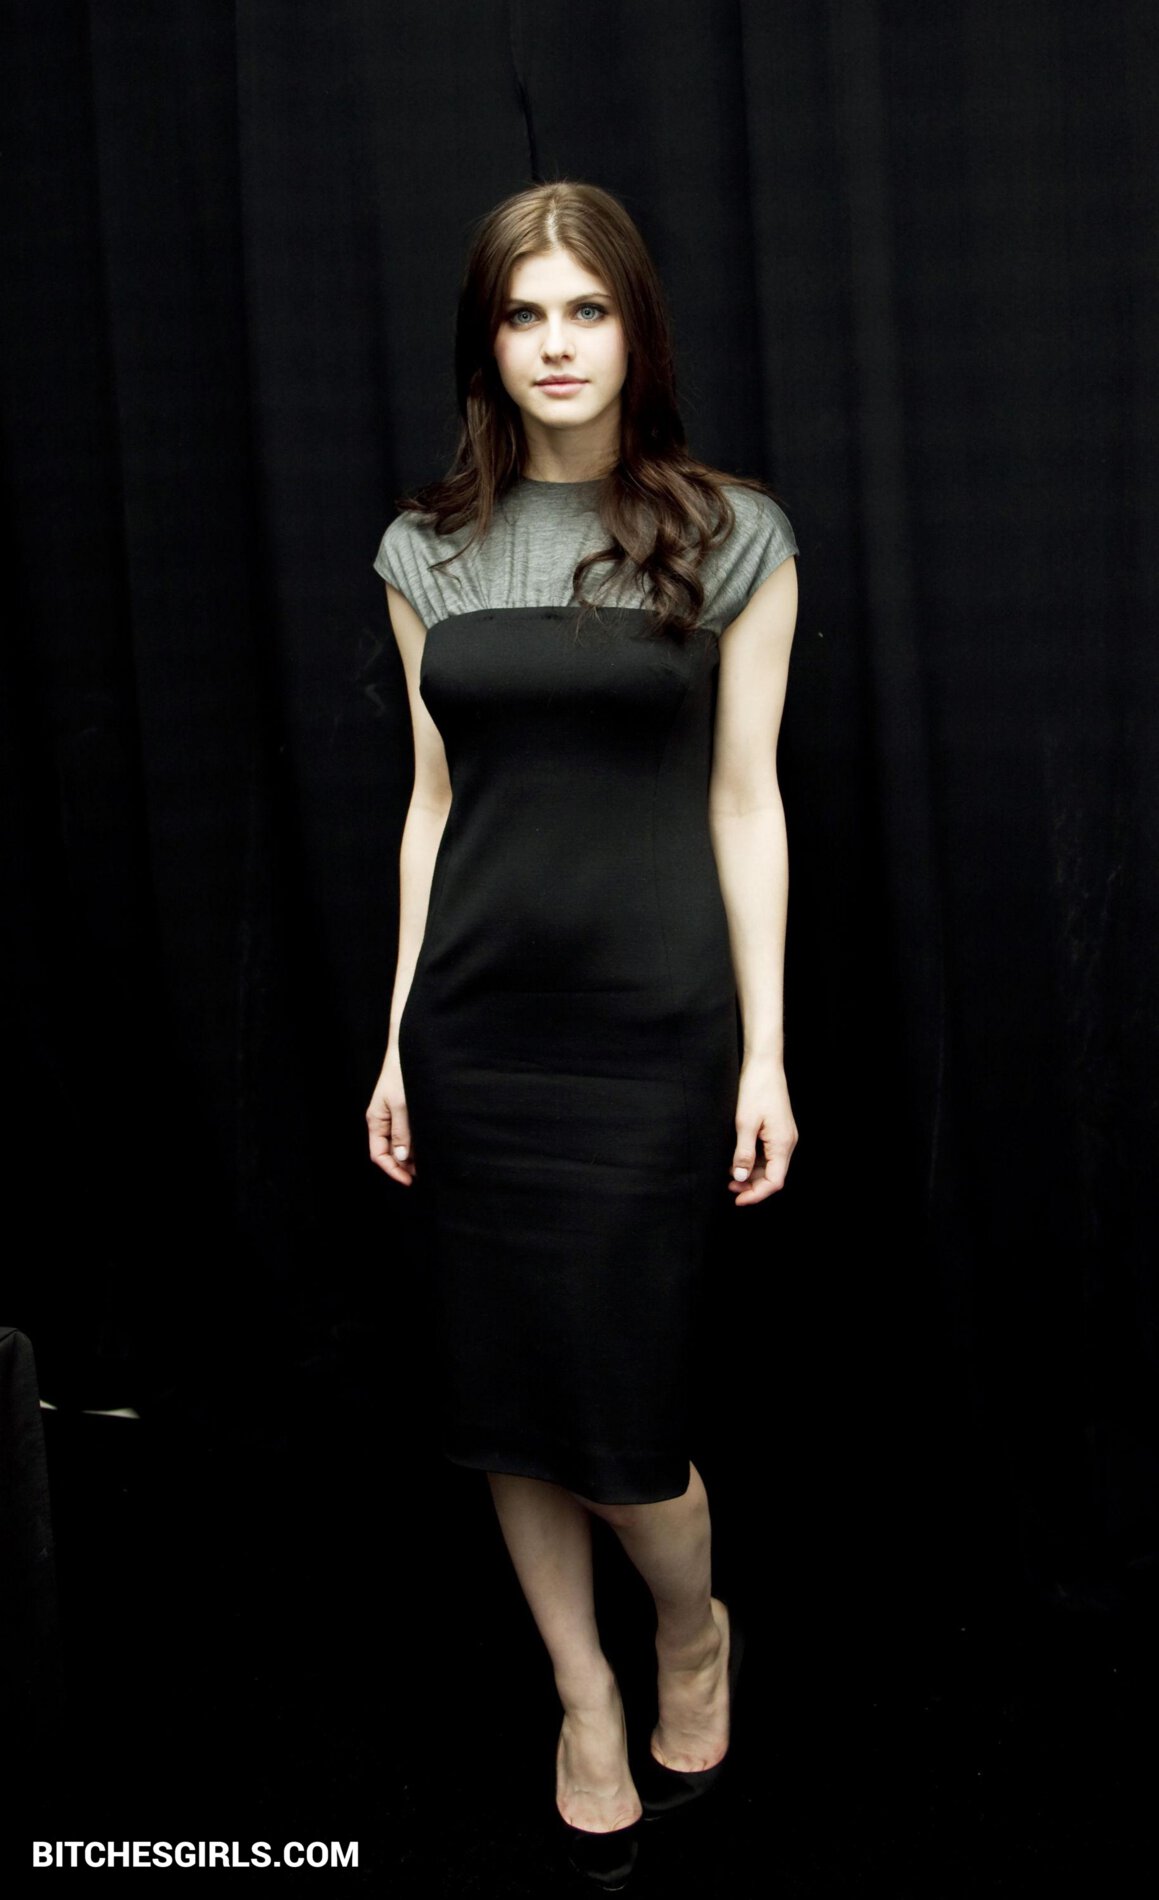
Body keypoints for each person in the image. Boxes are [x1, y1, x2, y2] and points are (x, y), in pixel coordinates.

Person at [366, 180, 799, 1891]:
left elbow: (748, 804)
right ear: (488, 339)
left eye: (587, 310)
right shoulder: (425, 551)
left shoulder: (732, 532)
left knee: (619, 1408)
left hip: (649, 1030)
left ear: (637, 331)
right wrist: (396, 1042)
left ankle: (693, 1633)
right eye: (524, 313)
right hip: (475, 1031)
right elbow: (431, 809)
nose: (557, 344)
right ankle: (584, 1696)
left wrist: (766, 1055)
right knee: (503, 1397)